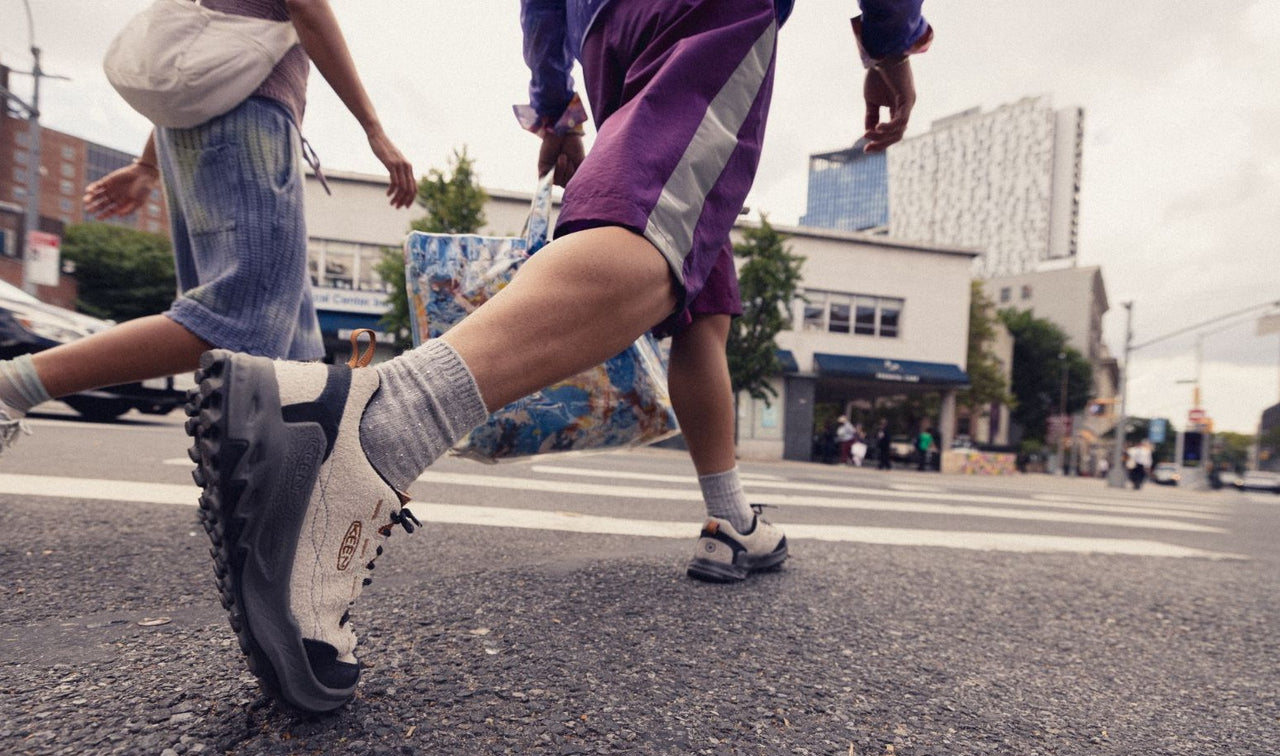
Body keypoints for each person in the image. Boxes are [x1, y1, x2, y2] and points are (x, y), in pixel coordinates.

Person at [184, 0, 933, 713]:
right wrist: (891, 40)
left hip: (605, 32)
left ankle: (730, 517)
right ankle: (378, 425)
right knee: (657, 239)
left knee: (698, 289)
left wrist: (554, 105)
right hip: (709, 12)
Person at [0, 0, 416, 454]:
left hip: (206, 127)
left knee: (287, 342)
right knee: (239, 319)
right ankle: (14, 384)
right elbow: (306, 7)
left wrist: (146, 164)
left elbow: (199, 64)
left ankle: (268, 482)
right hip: (247, 126)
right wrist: (373, 128)